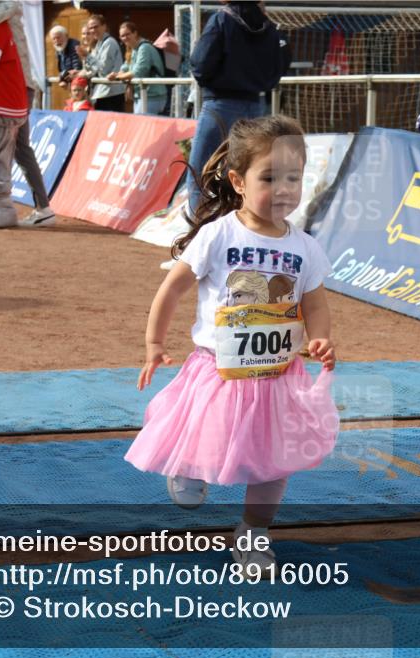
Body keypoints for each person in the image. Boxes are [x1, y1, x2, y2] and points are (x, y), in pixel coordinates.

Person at [128, 115, 338, 577]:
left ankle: (252, 534)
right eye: (270, 177)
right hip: (218, 369)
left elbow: (315, 303)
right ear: (239, 181)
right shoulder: (218, 234)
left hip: (279, 374)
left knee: (273, 461)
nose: (283, 189)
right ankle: (189, 466)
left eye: (294, 178)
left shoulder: (305, 247)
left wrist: (319, 337)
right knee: (209, 432)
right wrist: (153, 343)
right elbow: (173, 290)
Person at [186, 1, 291, 216]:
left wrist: (212, 80)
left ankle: (196, 233)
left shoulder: (222, 19)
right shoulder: (269, 26)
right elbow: (279, 65)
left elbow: (200, 63)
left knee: (200, 175)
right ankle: (242, 233)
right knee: (244, 176)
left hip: (220, 105)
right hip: (255, 108)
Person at [0, 1, 55, 227]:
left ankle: (41, 207)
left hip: (18, 86)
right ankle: (38, 207)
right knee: (18, 148)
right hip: (13, 86)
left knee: (18, 148)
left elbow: (12, 5)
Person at [108, 22, 166, 115]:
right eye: (122, 36)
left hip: (152, 96)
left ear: (135, 33)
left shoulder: (144, 48)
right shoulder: (133, 49)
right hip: (142, 95)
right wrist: (119, 75)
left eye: (128, 34)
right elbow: (126, 67)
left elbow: (139, 71)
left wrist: (118, 77)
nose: (125, 37)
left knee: (146, 127)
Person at [80, 15, 125, 112]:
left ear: (104, 26)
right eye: (90, 28)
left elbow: (104, 70)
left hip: (112, 94)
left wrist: (88, 56)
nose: (93, 30)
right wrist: (80, 72)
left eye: (96, 27)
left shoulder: (109, 42)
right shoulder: (99, 44)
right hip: (102, 93)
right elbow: (93, 69)